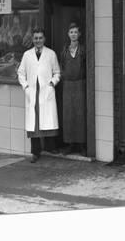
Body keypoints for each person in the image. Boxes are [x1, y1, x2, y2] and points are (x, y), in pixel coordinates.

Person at [17, 27, 61, 163]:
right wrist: (26, 87)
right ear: (32, 40)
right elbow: (21, 73)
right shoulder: (27, 55)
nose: (38, 40)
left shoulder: (51, 54)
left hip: (45, 91)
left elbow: (57, 72)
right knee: (34, 124)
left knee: (47, 119)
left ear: (44, 39)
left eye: (40, 38)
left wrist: (52, 83)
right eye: (35, 38)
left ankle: (50, 148)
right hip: (32, 92)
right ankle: (35, 152)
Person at [60, 22, 87, 156]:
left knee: (80, 113)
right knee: (68, 114)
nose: (73, 34)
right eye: (71, 32)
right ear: (68, 34)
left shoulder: (83, 49)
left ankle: (81, 144)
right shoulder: (65, 49)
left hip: (80, 84)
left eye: (76, 32)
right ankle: (70, 144)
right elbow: (61, 66)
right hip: (67, 85)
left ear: (79, 34)